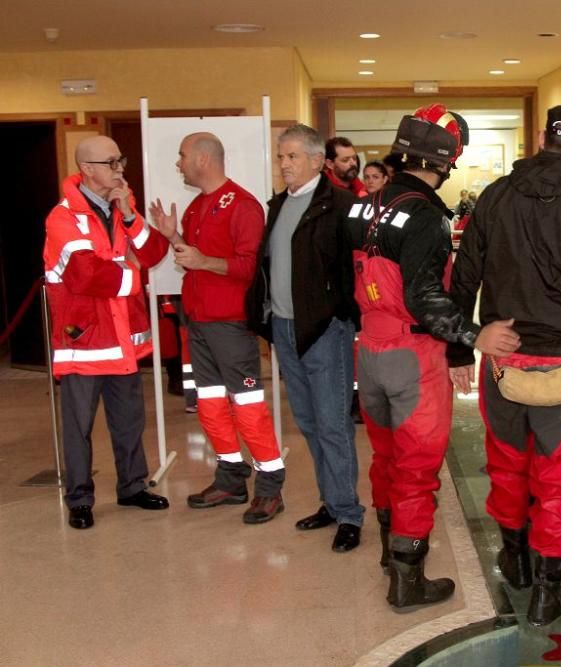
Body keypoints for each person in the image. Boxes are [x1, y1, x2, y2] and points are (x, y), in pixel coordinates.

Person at [449, 104, 561, 626]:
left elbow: (464, 275)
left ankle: (514, 559)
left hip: (503, 357)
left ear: (543, 137)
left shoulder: (497, 197)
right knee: (557, 478)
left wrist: (461, 347)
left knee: (506, 466)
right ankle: (548, 590)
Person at [345, 103, 516, 611]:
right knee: (417, 470)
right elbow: (424, 295)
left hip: (369, 354)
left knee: (384, 459)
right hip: (413, 355)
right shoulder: (425, 216)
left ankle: (387, 552)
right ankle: (408, 579)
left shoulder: (363, 205)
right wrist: (475, 336)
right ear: (444, 161)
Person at [150, 132, 285, 524]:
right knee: (209, 404)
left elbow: (248, 268)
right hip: (198, 321)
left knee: (247, 407)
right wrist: (172, 236)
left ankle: (270, 485)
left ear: (204, 159)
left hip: (229, 323)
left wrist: (203, 260)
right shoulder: (196, 206)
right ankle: (230, 477)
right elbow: (192, 260)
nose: (178, 163)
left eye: (182, 155)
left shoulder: (241, 206)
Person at [245, 124, 365, 551]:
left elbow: (357, 269)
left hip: (325, 329)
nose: (284, 164)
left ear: (317, 161)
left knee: (333, 424)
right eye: (281, 157)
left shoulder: (341, 206)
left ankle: (350, 512)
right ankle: (331, 503)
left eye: (292, 156)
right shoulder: (278, 205)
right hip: (284, 327)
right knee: (310, 422)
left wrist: (342, 314)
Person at [43, 135, 171, 529]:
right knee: (78, 427)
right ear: (88, 169)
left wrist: (131, 217)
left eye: (121, 160)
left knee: (130, 420)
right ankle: (79, 498)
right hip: (84, 342)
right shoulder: (63, 217)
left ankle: (132, 486)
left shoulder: (119, 209)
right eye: (112, 162)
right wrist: (132, 274)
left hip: (122, 342)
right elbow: (86, 275)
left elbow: (153, 253)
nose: (120, 169)